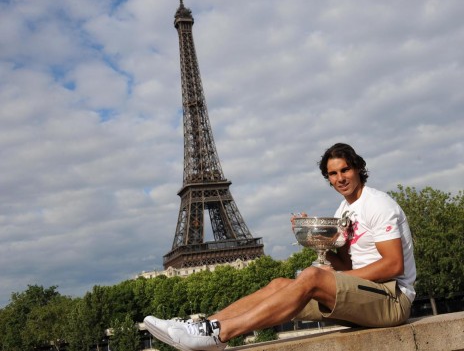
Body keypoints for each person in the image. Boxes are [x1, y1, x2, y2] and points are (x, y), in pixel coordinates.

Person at [144, 143, 416, 351]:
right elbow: (347, 264)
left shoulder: (378, 204)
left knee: (310, 277)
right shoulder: (344, 210)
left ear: (358, 168)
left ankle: (221, 332)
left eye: (345, 170)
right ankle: (203, 327)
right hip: (365, 296)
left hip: (392, 300)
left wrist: (326, 278)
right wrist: (318, 241)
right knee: (279, 284)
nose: (340, 178)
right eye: (332, 174)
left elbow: (393, 265)